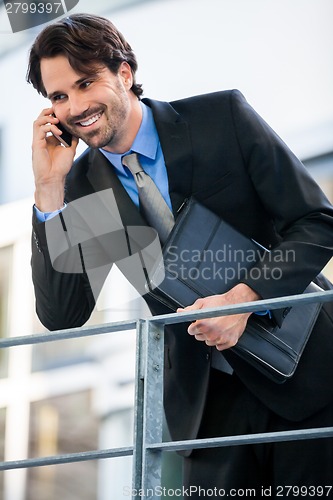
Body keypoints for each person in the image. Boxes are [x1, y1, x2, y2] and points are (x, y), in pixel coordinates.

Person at [27, 13, 333, 498]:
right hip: (208, 411)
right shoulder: (82, 188)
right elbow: (63, 314)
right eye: (59, 97)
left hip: (309, 375)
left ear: (124, 73)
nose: (76, 107)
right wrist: (49, 190)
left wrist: (244, 299)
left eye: (86, 83)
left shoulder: (221, 118)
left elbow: (317, 222)